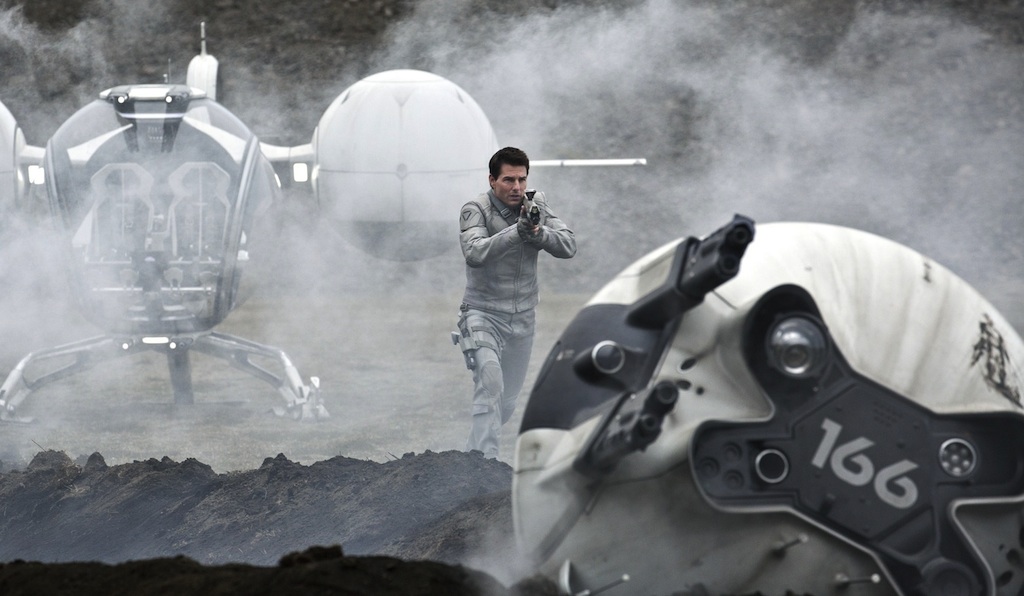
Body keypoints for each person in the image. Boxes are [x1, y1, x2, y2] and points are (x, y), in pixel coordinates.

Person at [453, 146, 577, 459]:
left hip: (523, 318)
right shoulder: (476, 209)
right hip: (482, 312)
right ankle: (485, 465)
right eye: (509, 180)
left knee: (505, 402)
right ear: (492, 180)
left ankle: (470, 459)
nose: (517, 187)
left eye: (522, 179)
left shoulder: (535, 204)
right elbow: (475, 253)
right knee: (490, 384)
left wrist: (538, 233)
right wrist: (517, 232)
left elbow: (568, 245)